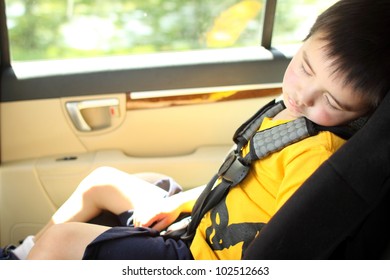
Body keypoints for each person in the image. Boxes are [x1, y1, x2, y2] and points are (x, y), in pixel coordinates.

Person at [4, 0, 390, 260]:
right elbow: (236, 183)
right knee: (102, 181)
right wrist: (179, 204)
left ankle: (37, 256)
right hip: (199, 221)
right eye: (305, 67)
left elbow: (284, 243)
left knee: (62, 241)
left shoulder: (314, 158)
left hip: (199, 257)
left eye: (333, 102)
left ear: (363, 117)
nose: (304, 96)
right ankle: (25, 254)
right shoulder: (291, 117)